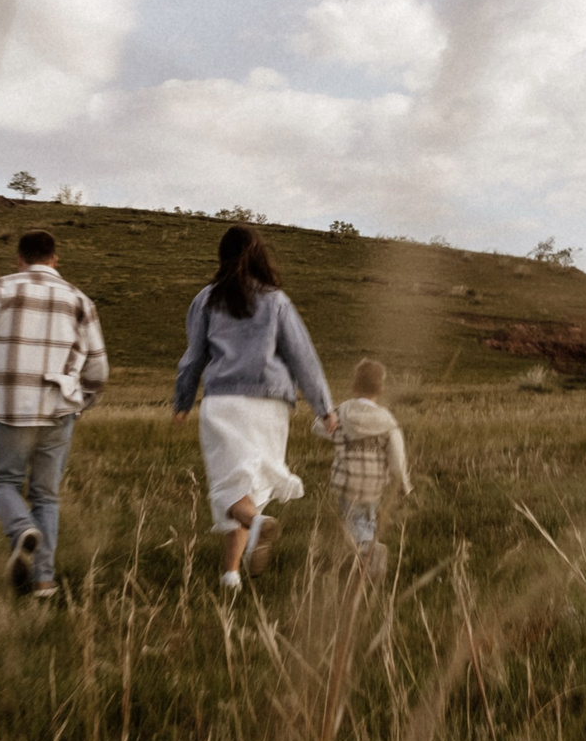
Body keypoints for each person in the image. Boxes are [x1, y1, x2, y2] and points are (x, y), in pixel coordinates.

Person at [172, 225, 336, 590]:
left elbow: (193, 357)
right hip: (270, 404)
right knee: (250, 486)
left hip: (224, 401)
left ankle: (257, 527)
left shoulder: (206, 299)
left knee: (226, 485)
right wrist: (324, 408)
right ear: (260, 255)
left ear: (222, 256)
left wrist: (182, 401)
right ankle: (231, 575)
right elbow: (303, 356)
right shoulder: (277, 301)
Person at [0, 227, 108, 599]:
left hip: (12, 407)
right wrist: (81, 399)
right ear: (55, 259)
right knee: (46, 495)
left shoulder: (3, 287)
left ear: (19, 258)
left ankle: (23, 529)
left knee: (3, 483)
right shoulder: (79, 299)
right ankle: (44, 582)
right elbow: (98, 367)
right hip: (60, 408)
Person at [313, 358, 411, 580]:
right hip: (374, 484)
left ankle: (367, 554)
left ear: (354, 386)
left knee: (352, 521)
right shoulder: (387, 419)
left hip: (346, 482)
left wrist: (329, 418)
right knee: (367, 518)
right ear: (381, 389)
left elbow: (318, 426)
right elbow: (397, 457)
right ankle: (368, 556)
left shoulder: (344, 411)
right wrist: (403, 484)